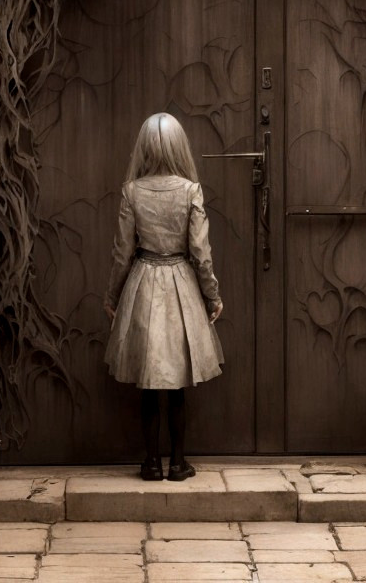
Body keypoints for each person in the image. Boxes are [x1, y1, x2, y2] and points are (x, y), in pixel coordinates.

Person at [103, 113, 224, 481]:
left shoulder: (132, 191)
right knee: (176, 386)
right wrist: (212, 296)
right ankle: (178, 462)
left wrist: (112, 296)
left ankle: (151, 462)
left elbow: (122, 252)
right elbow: (201, 253)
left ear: (145, 146)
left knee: (148, 381)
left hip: (143, 282)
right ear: (178, 146)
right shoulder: (191, 191)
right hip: (180, 286)